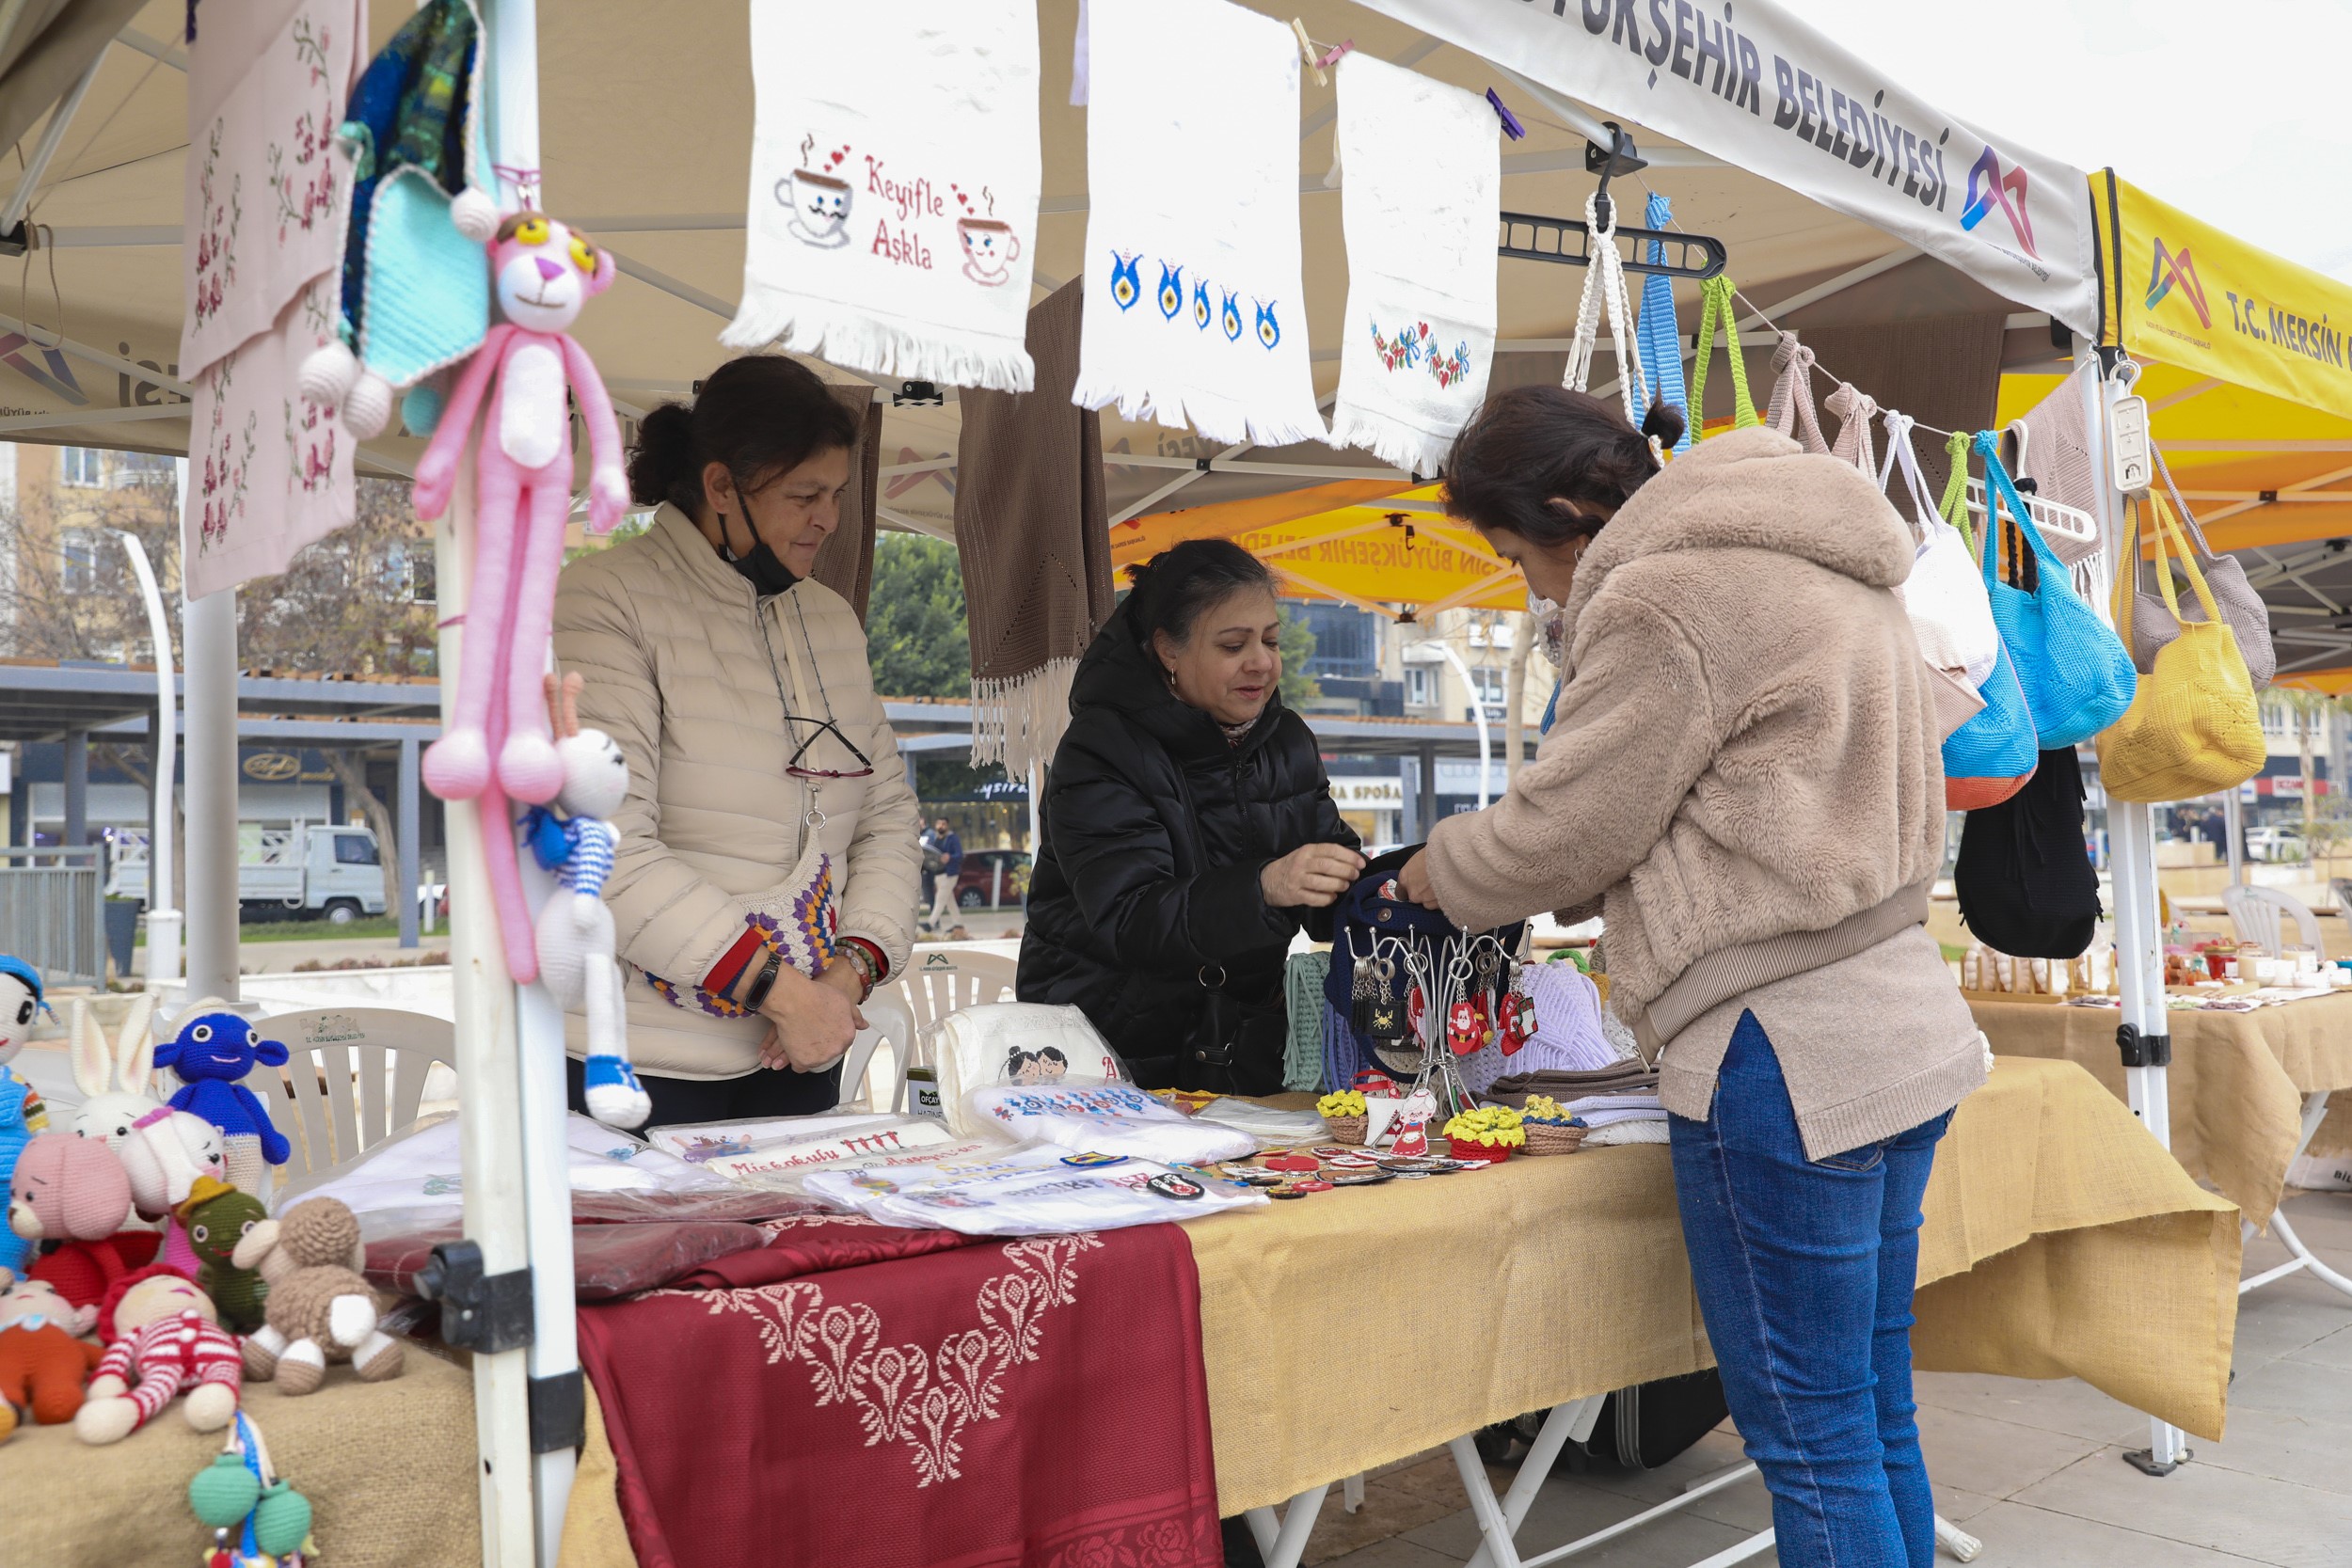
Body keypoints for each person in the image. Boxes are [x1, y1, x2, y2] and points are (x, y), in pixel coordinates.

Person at [1397, 388, 1985, 1568]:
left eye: (1516, 554)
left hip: (1783, 1044)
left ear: (1564, 511)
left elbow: (1568, 829)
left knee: (1813, 1440)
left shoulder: (1662, 597)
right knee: (1870, 1410)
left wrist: (1432, 869)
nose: (1531, 587)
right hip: (1899, 1014)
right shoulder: (1823, 550)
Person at [550, 355, 920, 1125]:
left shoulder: (830, 617)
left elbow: (886, 818)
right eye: (804, 496)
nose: (828, 519)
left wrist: (846, 977)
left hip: (802, 1052)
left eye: (837, 495)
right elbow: (608, 845)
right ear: (720, 486)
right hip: (643, 1067)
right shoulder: (605, 599)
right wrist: (783, 993)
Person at [1019, 539, 1365, 1093]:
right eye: (1233, 645)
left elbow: (1330, 882)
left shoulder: (1287, 740)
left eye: (1271, 640)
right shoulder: (1100, 748)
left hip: (1238, 1043)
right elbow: (1129, 918)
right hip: (1102, 1051)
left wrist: (1406, 879)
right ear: (1168, 651)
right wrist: (1265, 886)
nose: (1261, 662)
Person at [923, 817, 964, 929]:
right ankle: (958, 925)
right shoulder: (935, 839)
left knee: (940, 898)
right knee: (950, 901)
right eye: (939, 824)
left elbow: (959, 854)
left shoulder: (952, 838)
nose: (941, 826)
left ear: (947, 826)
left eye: (943, 824)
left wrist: (950, 857)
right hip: (939, 875)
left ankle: (930, 924)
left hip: (950, 874)